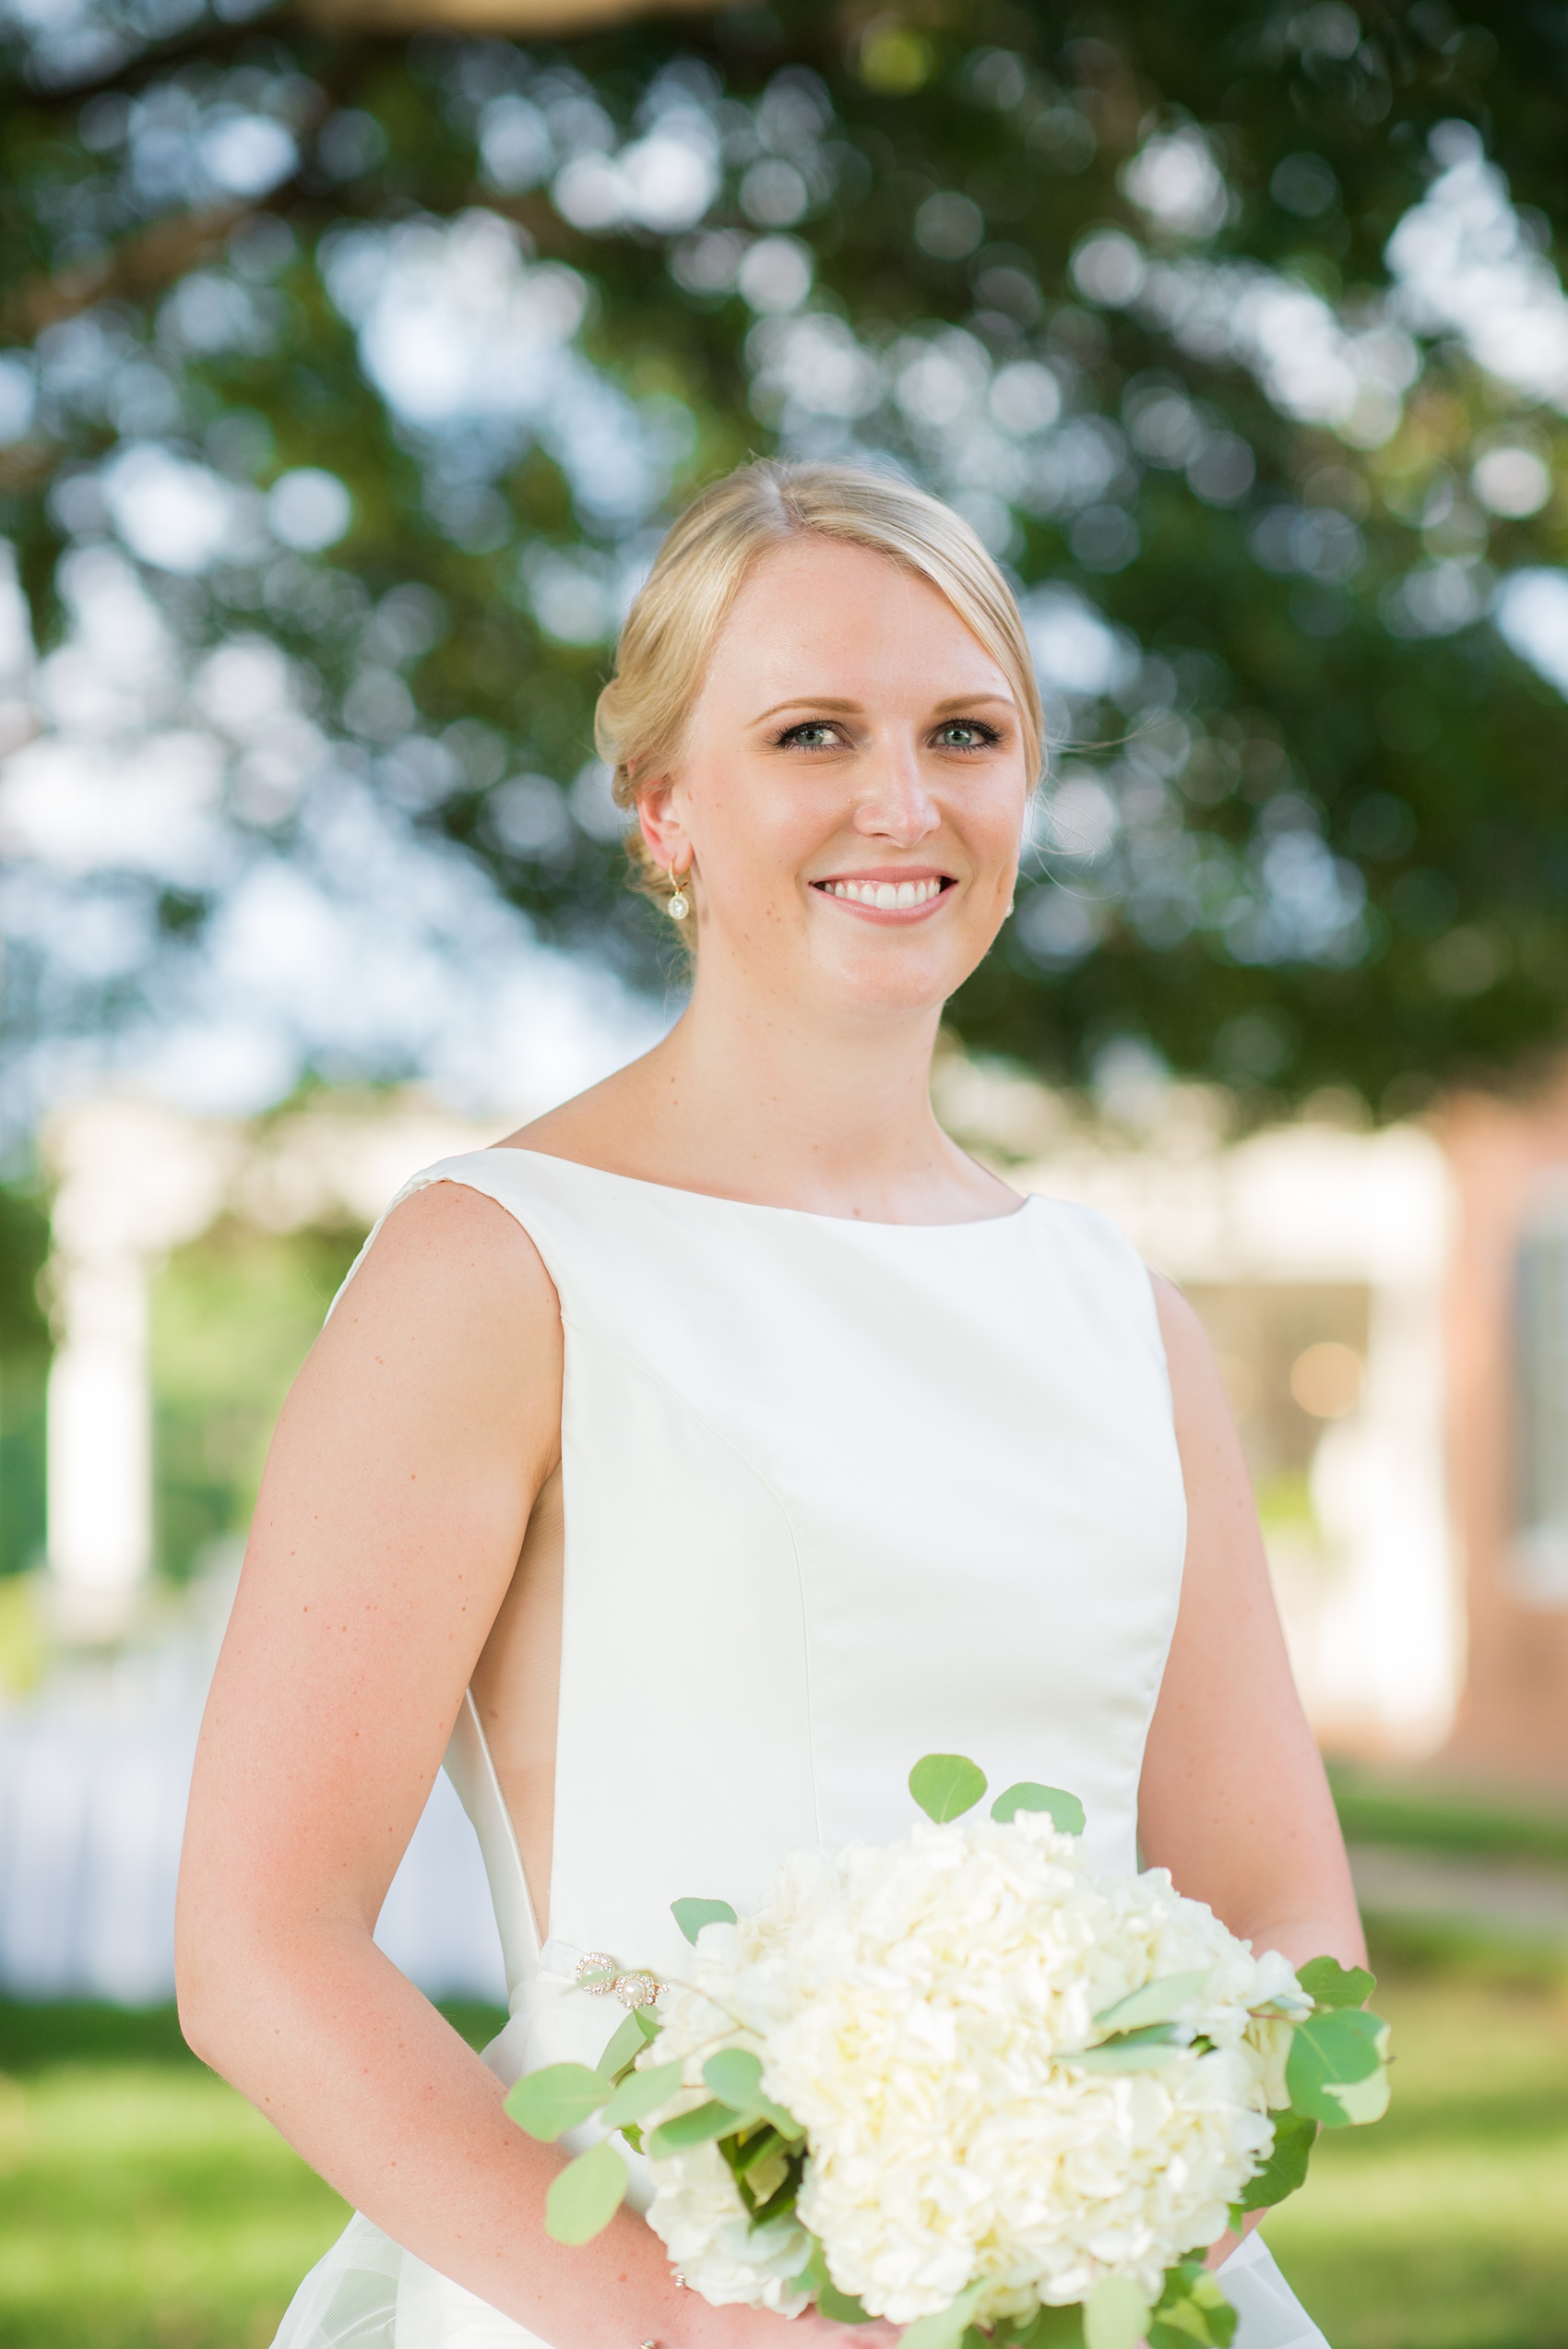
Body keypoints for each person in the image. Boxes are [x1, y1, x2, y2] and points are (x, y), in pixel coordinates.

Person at [176, 460, 1363, 2349]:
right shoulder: (497, 1268)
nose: (902, 801)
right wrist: (690, 2317)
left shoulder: (1122, 1318)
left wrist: (1131, 2229)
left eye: (963, 733)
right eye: (814, 731)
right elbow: (262, 1946)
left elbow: (1284, 1908)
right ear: (666, 810)